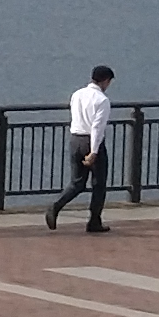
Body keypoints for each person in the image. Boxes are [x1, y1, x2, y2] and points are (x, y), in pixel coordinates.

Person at [45, 64, 117, 233]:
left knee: (77, 183)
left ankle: (55, 206)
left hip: (75, 139)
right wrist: (94, 151)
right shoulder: (102, 100)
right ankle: (94, 221)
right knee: (99, 184)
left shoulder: (77, 94)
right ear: (106, 81)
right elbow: (97, 128)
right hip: (91, 142)